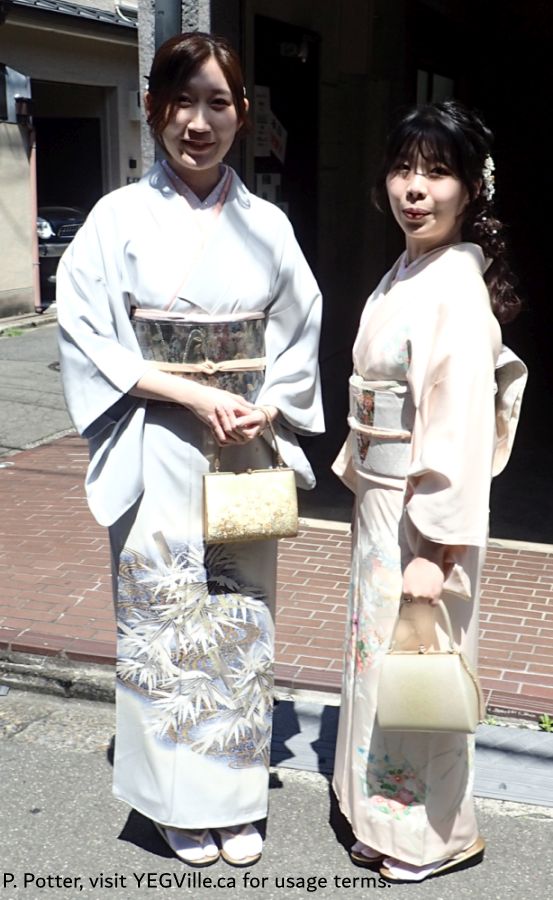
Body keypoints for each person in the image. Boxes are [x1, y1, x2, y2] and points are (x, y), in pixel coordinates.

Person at [57, 32, 323, 868]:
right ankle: (173, 800)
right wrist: (191, 391)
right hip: (154, 440)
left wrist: (269, 403)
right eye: (181, 101)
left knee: (238, 621)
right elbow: (88, 332)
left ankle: (234, 796)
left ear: (243, 115)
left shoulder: (267, 225)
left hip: (240, 448)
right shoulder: (116, 219)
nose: (197, 122)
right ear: (152, 110)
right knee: (164, 620)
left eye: (217, 103)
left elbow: (298, 328)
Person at [332, 100, 527, 883]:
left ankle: (434, 837)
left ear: (469, 191)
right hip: (382, 504)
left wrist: (438, 549)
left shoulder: (452, 286)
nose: (414, 189)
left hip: (421, 515)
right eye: (403, 169)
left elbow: (456, 429)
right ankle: (379, 818)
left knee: (418, 667)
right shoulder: (408, 269)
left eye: (436, 173)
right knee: (381, 667)